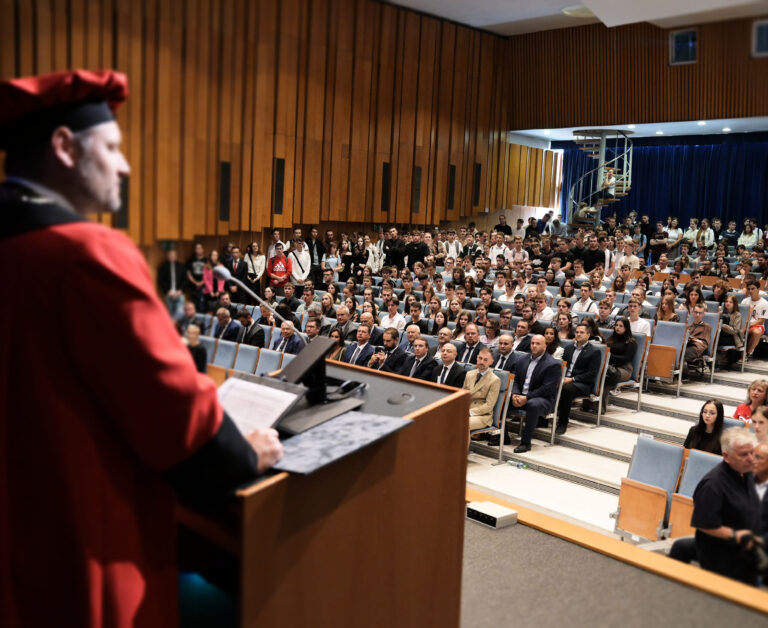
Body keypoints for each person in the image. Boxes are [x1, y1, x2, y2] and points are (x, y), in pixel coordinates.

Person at [0, 70, 283, 625]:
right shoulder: (89, 253)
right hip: (80, 552)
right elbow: (180, 424)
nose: (125, 166)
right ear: (62, 146)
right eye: (111, 148)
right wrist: (249, 452)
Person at [691, 429, 761, 584]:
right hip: (722, 560)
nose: (750, 458)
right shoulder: (712, 485)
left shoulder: (747, 473)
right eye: (743, 455)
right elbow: (704, 524)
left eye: (752, 452)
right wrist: (736, 535)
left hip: (747, 556)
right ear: (726, 456)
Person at [510, 334, 562, 453]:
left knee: (532, 405)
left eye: (538, 344)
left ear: (545, 346)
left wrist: (526, 398)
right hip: (521, 395)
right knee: (501, 398)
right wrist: (515, 394)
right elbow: (515, 380)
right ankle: (502, 436)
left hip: (542, 399)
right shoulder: (522, 359)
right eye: (532, 343)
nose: (534, 346)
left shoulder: (553, 364)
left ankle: (526, 442)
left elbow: (547, 389)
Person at [556, 324, 601, 435]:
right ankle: (543, 418)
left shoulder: (594, 351)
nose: (578, 334)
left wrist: (572, 379)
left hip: (583, 383)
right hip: (566, 379)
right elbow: (562, 366)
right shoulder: (569, 348)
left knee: (566, 389)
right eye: (577, 332)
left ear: (588, 335)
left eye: (582, 332)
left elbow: (592, 374)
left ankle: (562, 423)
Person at [463, 348, 501, 431]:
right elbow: (463, 396)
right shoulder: (469, 374)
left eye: (485, 360)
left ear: (491, 362)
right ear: (477, 358)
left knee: (463, 423)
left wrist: (470, 412)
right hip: (465, 411)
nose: (482, 362)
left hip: (482, 415)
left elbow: (489, 406)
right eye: (480, 358)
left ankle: (460, 444)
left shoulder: (495, 380)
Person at [603, 318, 637, 406]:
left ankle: (600, 408)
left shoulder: (631, 342)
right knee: (598, 375)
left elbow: (626, 358)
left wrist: (609, 356)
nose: (617, 327)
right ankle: (587, 406)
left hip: (624, 369)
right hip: (610, 366)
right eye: (616, 325)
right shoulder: (611, 339)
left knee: (605, 379)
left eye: (621, 326)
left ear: (626, 328)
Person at [157, 248, 187, 320]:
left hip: (179, 293)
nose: (172, 257)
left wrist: (181, 290)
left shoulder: (181, 266)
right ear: (168, 256)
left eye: (173, 255)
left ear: (176, 256)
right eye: (170, 255)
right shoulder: (163, 267)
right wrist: (167, 290)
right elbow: (161, 280)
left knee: (180, 313)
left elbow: (185, 280)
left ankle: (177, 328)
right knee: (169, 314)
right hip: (169, 293)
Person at [741, 279, 768, 357]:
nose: (751, 291)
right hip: (745, 324)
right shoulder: (745, 301)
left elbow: (761, 321)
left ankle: (746, 353)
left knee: (756, 332)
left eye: (753, 289)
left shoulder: (765, 303)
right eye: (749, 289)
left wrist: (748, 324)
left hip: (757, 326)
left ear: (758, 289)